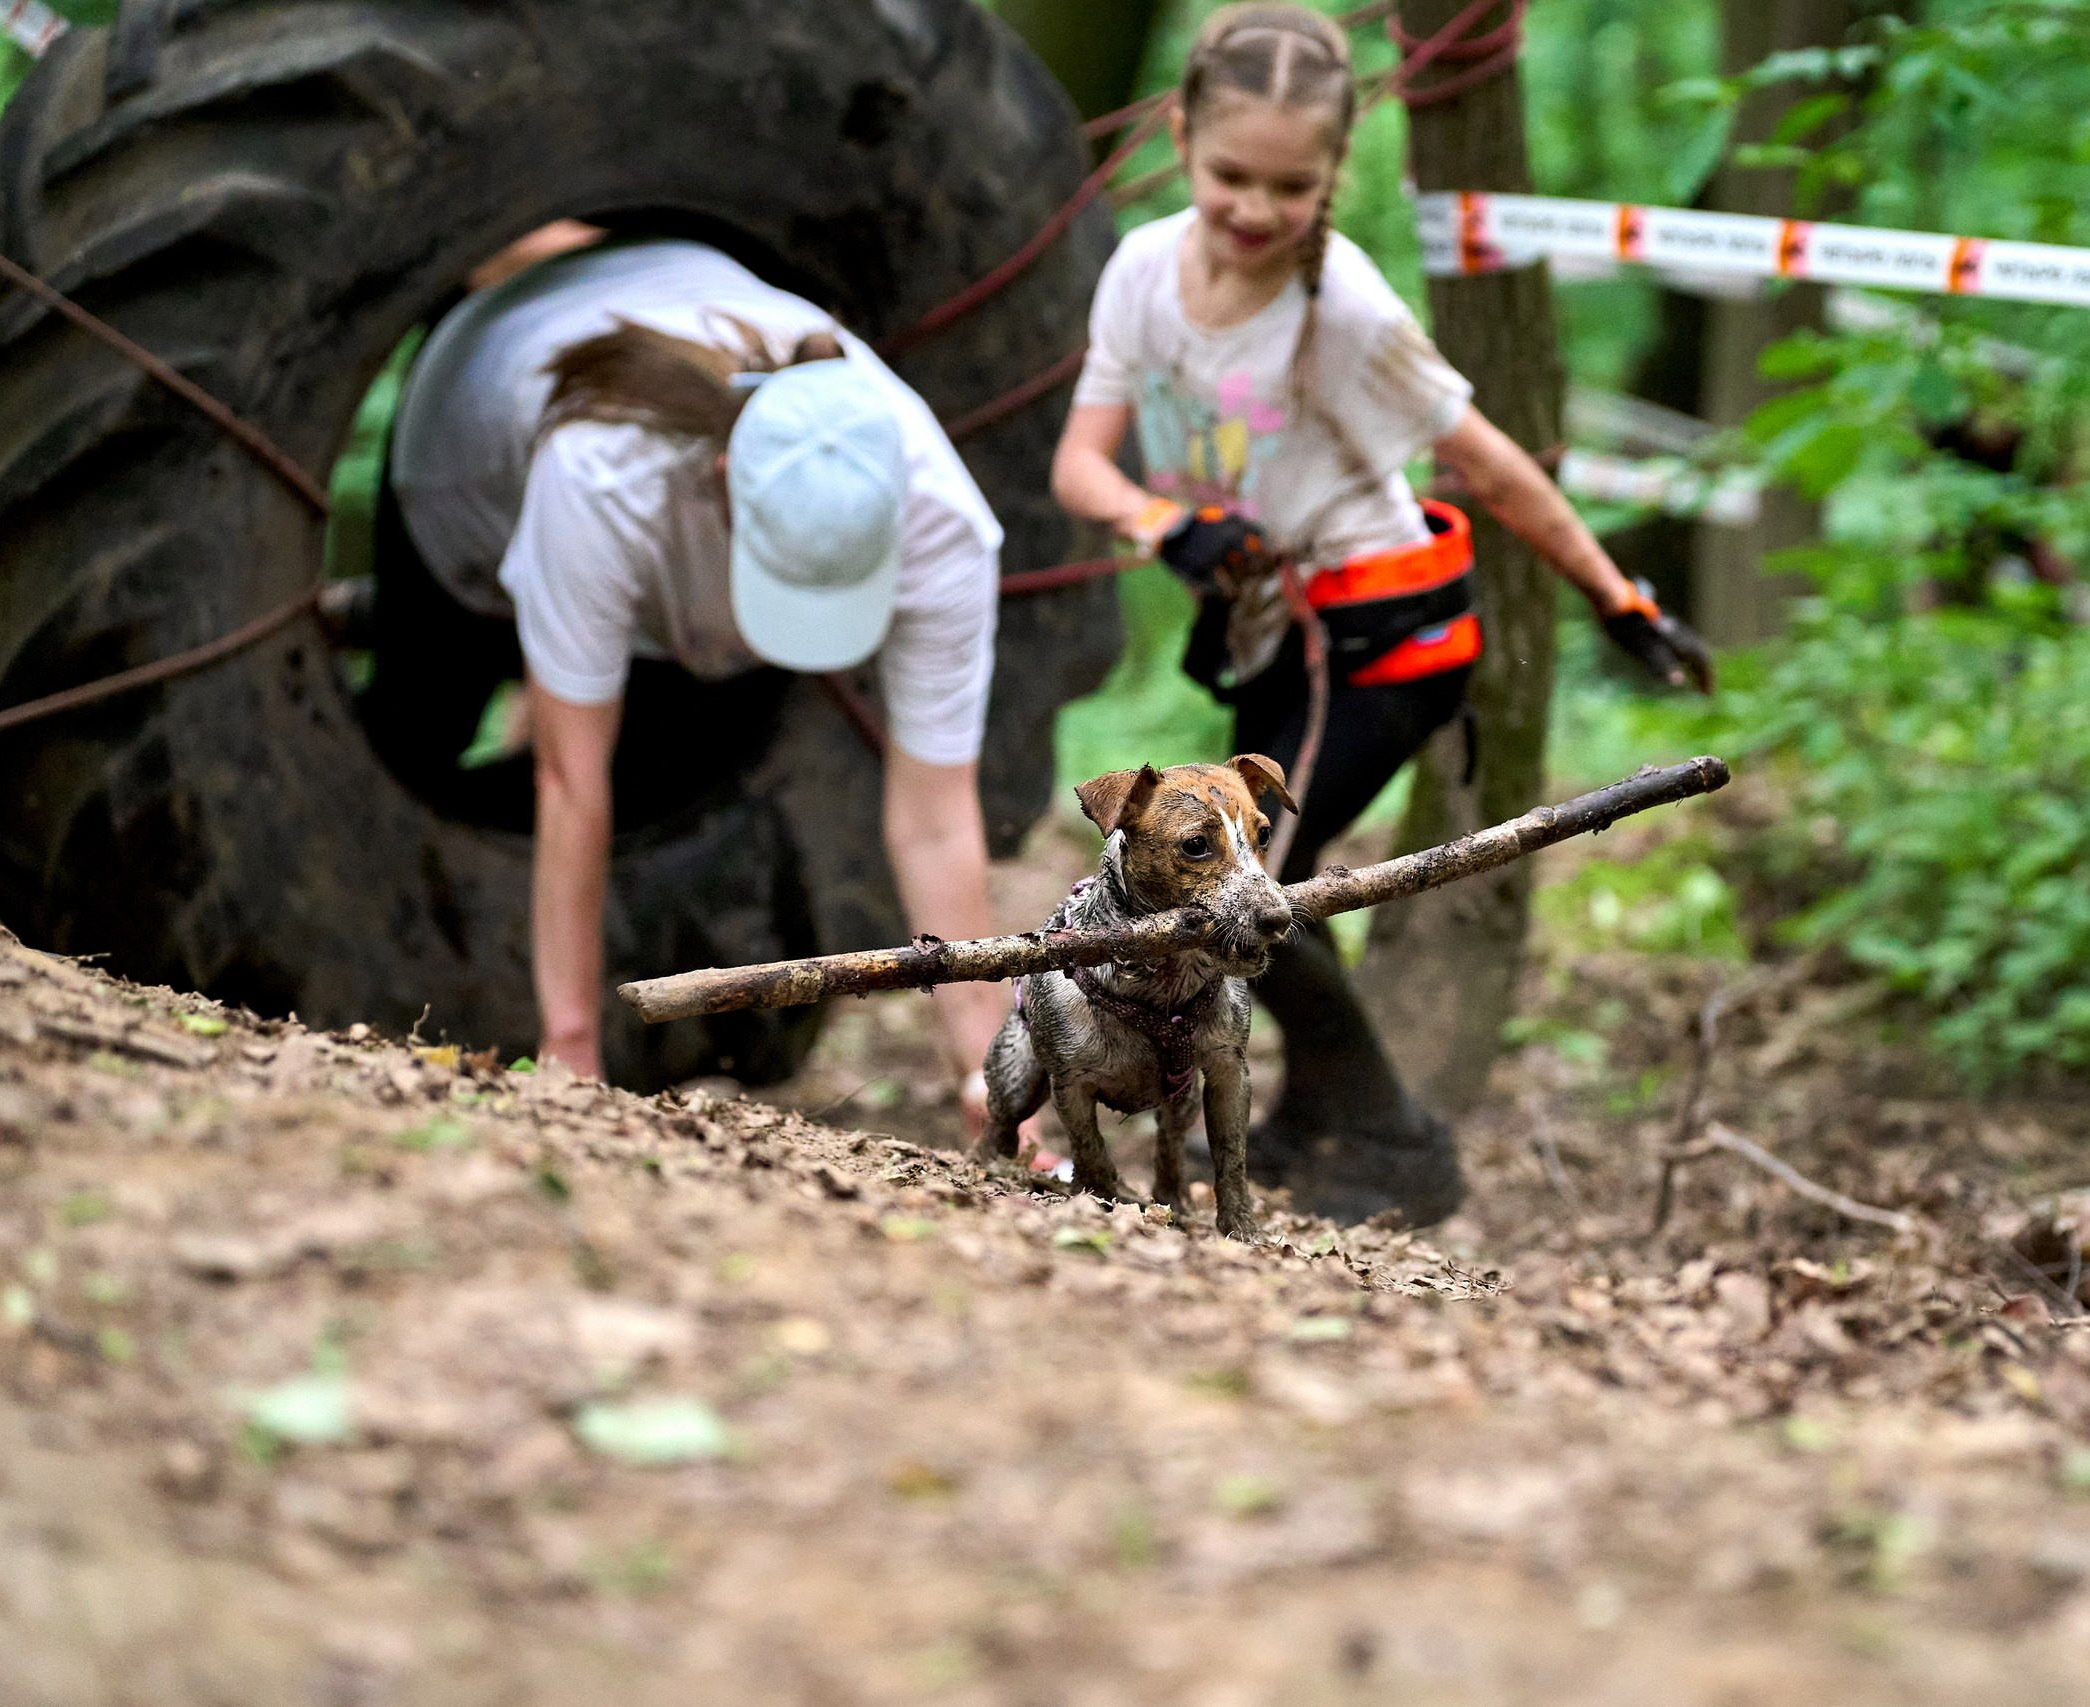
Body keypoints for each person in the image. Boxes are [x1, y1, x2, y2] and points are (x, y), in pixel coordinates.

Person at [1050, 4, 1712, 1222]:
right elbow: (1081, 467)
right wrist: (1167, 527)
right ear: (1184, 137)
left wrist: (1619, 598)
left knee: (1241, 889)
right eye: (1229, 176)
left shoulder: (1342, 308)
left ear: (1333, 176)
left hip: (1382, 642)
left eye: (1290, 186)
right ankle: (1321, 1119)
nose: (1255, 208)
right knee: (1260, 882)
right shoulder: (1142, 268)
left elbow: (1495, 464)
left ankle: (1385, 1140)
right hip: (1268, 639)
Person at [378, 233, 1009, 1116]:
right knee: (423, 729)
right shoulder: (602, 473)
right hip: (461, 472)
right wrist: (570, 1057)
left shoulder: (944, 521)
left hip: (682, 596)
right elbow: (569, 781)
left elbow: (937, 816)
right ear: (723, 481)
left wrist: (992, 1070)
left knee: (678, 779)